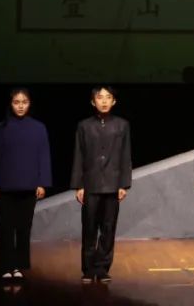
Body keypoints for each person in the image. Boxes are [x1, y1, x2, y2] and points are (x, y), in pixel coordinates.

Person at [0, 88, 51, 282]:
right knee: (6, 227)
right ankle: (6, 265)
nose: (20, 106)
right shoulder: (1, 128)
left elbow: (43, 156)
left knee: (24, 227)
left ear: (29, 104)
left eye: (24, 102)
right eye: (16, 102)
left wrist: (42, 183)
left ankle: (20, 265)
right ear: (11, 104)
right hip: (5, 186)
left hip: (29, 186)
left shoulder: (39, 128)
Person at [71, 86, 132, 284]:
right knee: (89, 227)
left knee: (108, 228)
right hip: (91, 184)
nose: (104, 101)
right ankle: (88, 269)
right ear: (93, 101)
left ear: (114, 101)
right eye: (100, 97)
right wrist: (79, 185)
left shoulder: (122, 125)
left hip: (113, 184)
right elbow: (79, 155)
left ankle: (103, 268)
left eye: (108, 97)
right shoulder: (84, 126)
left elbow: (125, 155)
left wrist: (123, 184)